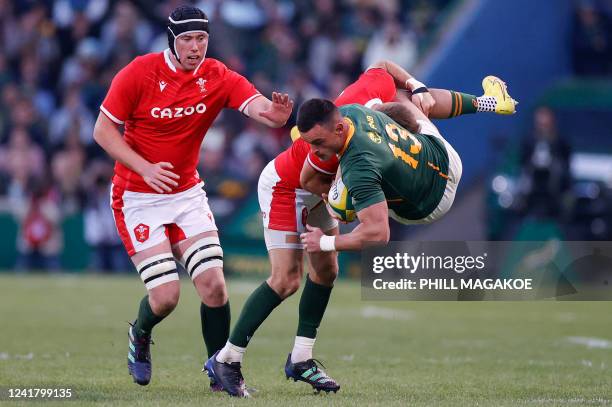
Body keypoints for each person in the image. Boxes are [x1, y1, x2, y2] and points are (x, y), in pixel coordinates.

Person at [205, 59, 444, 397]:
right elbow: (307, 178)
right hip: (288, 188)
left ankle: (302, 358)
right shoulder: (347, 131)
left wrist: (417, 85)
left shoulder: (371, 112)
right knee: (286, 280)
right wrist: (335, 204)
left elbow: (385, 67)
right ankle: (227, 359)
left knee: (326, 272)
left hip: (322, 189)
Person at [92, 5, 293, 388]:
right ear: (172, 40)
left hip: (186, 194)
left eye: (201, 38)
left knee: (215, 286)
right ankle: (141, 334)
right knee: (166, 296)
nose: (195, 46)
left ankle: (221, 372)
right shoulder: (139, 72)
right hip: (137, 195)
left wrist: (278, 115)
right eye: (187, 38)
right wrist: (145, 167)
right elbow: (102, 131)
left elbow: (262, 110)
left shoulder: (217, 75)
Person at [298, 76, 517, 252]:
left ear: (338, 129)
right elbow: (387, 74)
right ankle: (490, 102)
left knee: (359, 185)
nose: (315, 150)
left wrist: (325, 242)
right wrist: (416, 87)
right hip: (441, 156)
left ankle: (355, 200)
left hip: (430, 204)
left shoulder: (359, 169)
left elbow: (379, 234)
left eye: (318, 142)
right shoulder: (352, 111)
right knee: (404, 97)